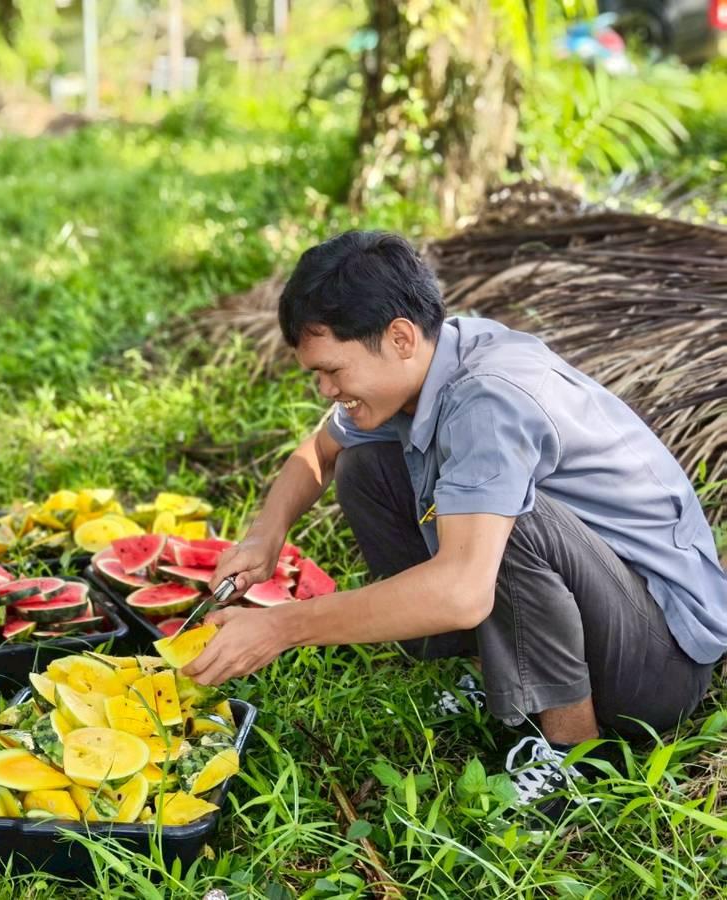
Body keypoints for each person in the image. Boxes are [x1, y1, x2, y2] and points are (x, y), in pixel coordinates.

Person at [186, 230, 727, 820]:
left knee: (508, 522)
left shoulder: (488, 399)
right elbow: (319, 451)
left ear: (398, 337)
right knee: (364, 466)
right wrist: (265, 537)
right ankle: (503, 679)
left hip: (660, 663)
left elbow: (464, 592)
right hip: (602, 617)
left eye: (332, 370)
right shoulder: (429, 358)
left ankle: (574, 754)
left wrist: (281, 628)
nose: (324, 389)